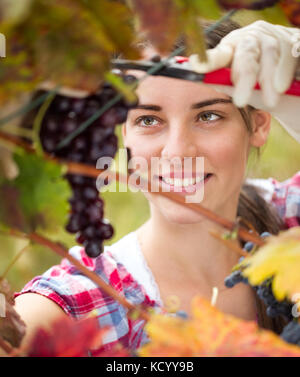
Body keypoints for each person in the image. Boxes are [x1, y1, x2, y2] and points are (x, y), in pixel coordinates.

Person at [13, 19, 300, 354]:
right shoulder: (83, 305)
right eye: (148, 120)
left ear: (259, 124)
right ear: (123, 133)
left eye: (208, 116)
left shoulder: (289, 222)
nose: (178, 151)